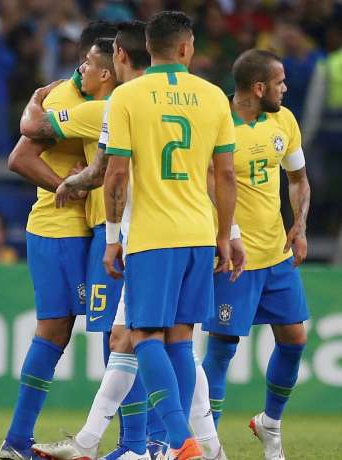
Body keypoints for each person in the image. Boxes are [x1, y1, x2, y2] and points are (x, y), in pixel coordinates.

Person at [100, 11, 243, 460]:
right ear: (185, 48)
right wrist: (226, 234)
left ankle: (180, 441)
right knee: (181, 337)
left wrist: (112, 236)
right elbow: (225, 175)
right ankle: (177, 444)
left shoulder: (127, 96)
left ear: (149, 46)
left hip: (151, 235)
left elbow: (116, 174)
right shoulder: (214, 96)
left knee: (145, 336)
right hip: (199, 232)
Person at [0, 20, 117, 460]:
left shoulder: (107, 101)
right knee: (59, 330)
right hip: (60, 226)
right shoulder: (65, 97)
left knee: (110, 330)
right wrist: (69, 187)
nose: (81, 68)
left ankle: (132, 442)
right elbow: (18, 157)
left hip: (89, 229)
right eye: (83, 61)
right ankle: (17, 439)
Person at [201, 49, 311, 460]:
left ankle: (270, 424)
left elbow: (298, 179)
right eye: (280, 82)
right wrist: (228, 234)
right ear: (259, 87)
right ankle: (207, 444)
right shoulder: (218, 122)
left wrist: (299, 225)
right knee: (222, 346)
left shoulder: (284, 120)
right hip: (234, 257)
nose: (286, 88)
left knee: (295, 339)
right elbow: (209, 182)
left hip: (276, 253)